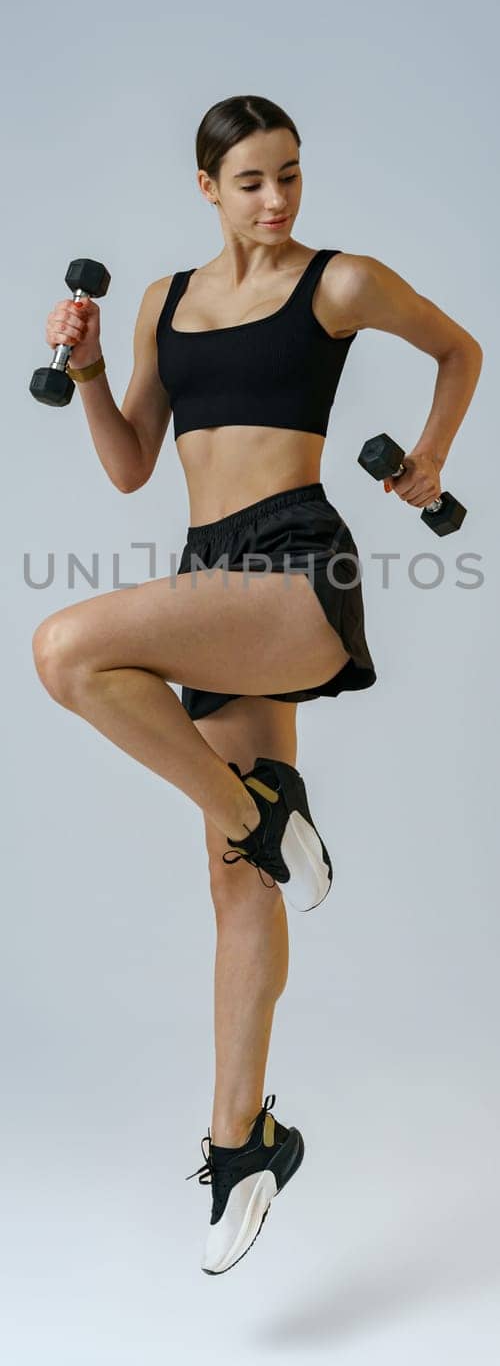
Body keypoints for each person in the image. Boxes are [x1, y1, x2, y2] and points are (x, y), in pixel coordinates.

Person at [32, 93, 483, 1276]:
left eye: (290, 174)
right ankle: (244, 1142)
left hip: (295, 566)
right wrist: (84, 371)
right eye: (250, 182)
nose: (277, 200)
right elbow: (133, 466)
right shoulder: (162, 304)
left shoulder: (336, 283)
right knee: (238, 891)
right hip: (207, 578)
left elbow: (458, 347)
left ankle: (262, 818)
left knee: (65, 649)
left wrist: (432, 452)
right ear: (205, 189)